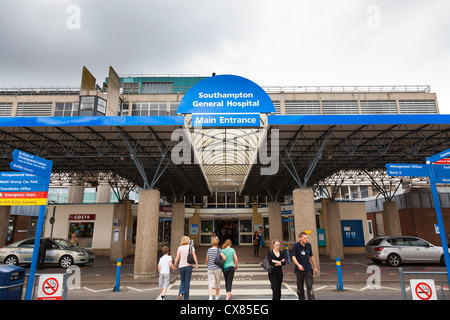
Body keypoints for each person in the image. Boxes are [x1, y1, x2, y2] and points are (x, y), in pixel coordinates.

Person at [291, 232, 319, 300]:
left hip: (308, 269)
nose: (306, 239)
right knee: (300, 288)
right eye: (305, 238)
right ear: (300, 238)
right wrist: (298, 265)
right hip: (299, 270)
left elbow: (311, 256)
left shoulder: (308, 245)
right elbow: (293, 257)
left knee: (310, 286)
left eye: (307, 238)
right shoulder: (296, 246)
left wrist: (315, 267)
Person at [174, 236, 198, 300]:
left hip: (181, 266)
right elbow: (194, 255)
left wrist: (174, 265)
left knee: (182, 281)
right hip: (189, 266)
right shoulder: (191, 247)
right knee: (187, 282)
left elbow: (177, 258)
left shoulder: (180, 248)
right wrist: (196, 264)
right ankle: (186, 298)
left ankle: (181, 293)